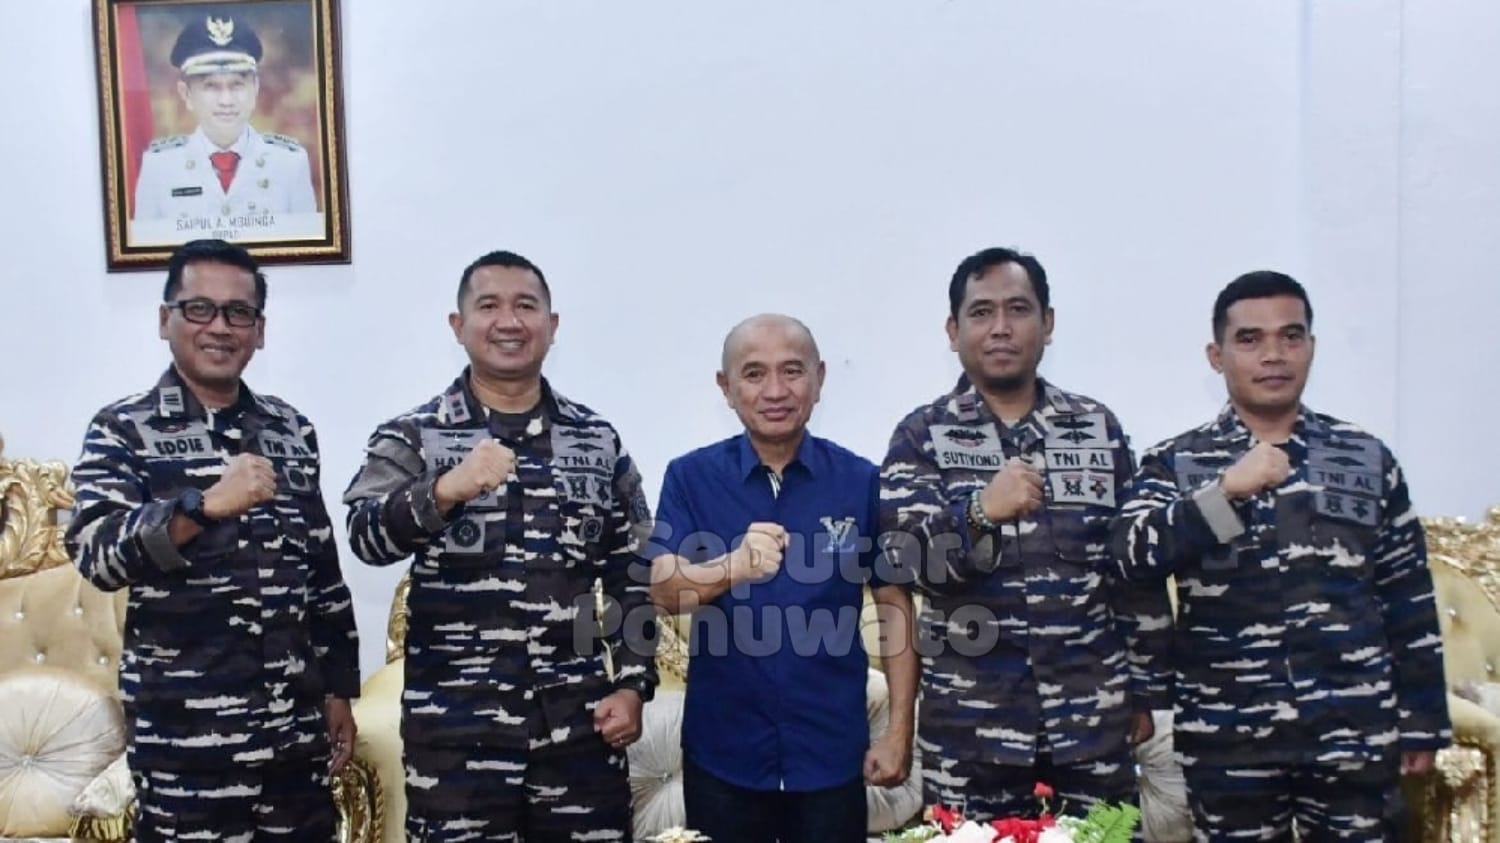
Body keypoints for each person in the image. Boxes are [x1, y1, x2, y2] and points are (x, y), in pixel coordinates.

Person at [1111, 270, 1450, 840]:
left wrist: (1422, 719)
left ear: (1311, 347)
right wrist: (1223, 494)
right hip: (1229, 736)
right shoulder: (1178, 463)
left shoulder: (1366, 458)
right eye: (1250, 339)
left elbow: (1406, 594)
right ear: (1216, 356)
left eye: (1290, 336)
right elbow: (1129, 555)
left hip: (1352, 729)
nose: (1273, 355)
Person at [343, 250, 655, 842]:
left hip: (579, 735)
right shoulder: (416, 435)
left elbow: (632, 573)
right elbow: (365, 536)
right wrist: (444, 490)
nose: (509, 321)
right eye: (488, 306)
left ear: (552, 326)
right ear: (458, 326)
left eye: (526, 306)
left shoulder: (596, 440)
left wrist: (632, 684)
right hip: (457, 740)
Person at [65, 238, 359, 840]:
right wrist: (201, 507)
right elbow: (97, 554)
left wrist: (339, 690)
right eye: (199, 309)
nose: (220, 327)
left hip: (291, 743)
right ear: (165, 319)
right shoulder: (123, 429)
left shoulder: (290, 431)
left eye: (238, 312)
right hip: (186, 745)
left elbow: (321, 573)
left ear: (259, 330)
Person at [878, 247, 1172, 819]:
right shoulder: (921, 435)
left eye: (1018, 309)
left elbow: (1132, 569)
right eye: (981, 312)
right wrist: (979, 513)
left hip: (1093, 722)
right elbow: (906, 563)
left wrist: (1144, 691)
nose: (1001, 328)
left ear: (1048, 323)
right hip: (971, 731)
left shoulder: (1096, 428)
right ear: (953, 331)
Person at [649, 314, 918, 843]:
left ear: (819, 378)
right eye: (754, 374)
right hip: (723, 753)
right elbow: (660, 589)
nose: (775, 390)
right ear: (726, 387)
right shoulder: (690, 477)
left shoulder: (860, 480)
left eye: (792, 371)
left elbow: (894, 606)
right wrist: (733, 566)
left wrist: (898, 733)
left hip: (831, 754)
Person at [132, 14, 316, 225]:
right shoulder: (159, 167)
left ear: (255, 88)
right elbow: (148, 244)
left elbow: (306, 242)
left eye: (237, 85)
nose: (226, 101)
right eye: (211, 86)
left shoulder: (290, 164)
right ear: (186, 94)